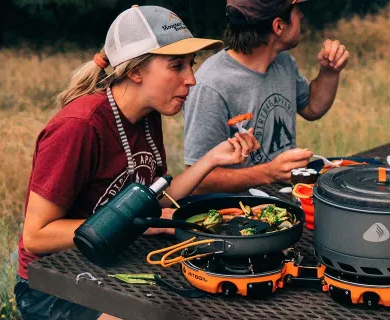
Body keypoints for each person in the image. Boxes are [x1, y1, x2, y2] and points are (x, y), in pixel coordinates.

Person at [14, 6, 259, 320]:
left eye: (191, 65)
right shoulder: (80, 126)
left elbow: (152, 201)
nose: (192, 79)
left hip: (112, 259)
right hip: (52, 282)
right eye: (177, 66)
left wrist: (213, 159)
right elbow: (36, 235)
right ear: (136, 71)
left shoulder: (146, 116)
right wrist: (138, 228)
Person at [182, 0, 351, 193]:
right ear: (278, 26)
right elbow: (199, 181)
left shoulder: (283, 62)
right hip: (239, 214)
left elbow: (312, 108)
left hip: (286, 198)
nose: (302, 16)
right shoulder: (211, 85)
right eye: (297, 11)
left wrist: (329, 72)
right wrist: (268, 173)